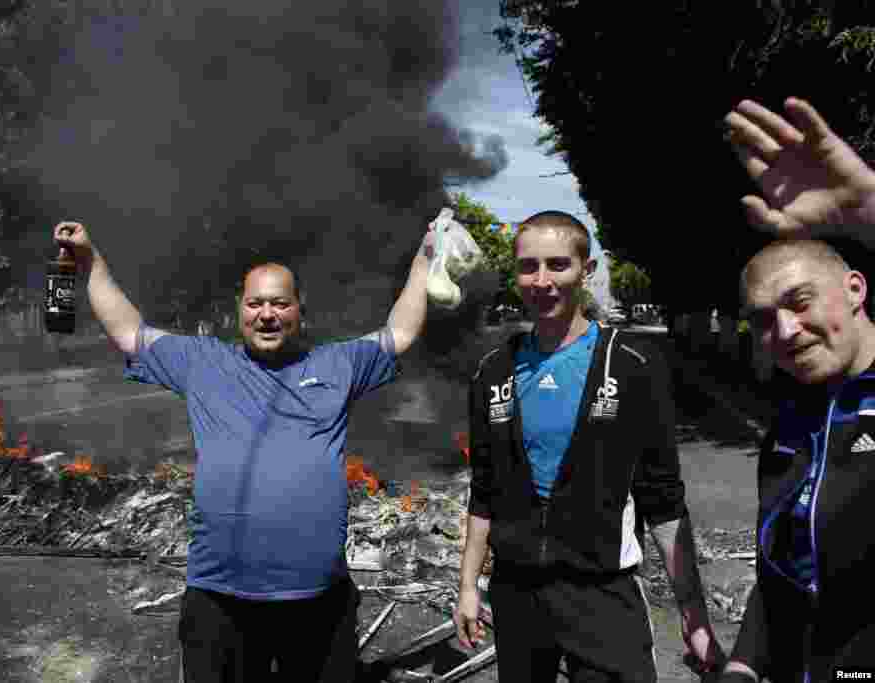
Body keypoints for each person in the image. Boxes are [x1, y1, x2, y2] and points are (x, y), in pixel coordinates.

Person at [52, 221, 434, 683]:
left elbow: (400, 331)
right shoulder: (203, 362)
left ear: (299, 311)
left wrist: (424, 260)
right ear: (240, 310)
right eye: (255, 303)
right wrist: (91, 260)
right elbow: (129, 331)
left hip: (318, 598)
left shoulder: (339, 363)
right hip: (220, 599)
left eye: (279, 302)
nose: (267, 314)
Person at [454, 210, 722, 682]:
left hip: (602, 592)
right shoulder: (492, 371)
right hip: (518, 594)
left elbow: (663, 500)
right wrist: (468, 587)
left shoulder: (634, 364)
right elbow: (484, 491)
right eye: (528, 266)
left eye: (558, 265)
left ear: (587, 270)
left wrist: (692, 615)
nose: (542, 281)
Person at [722, 97, 875, 683]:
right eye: (763, 319)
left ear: (856, 289)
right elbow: (785, 566)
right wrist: (743, 663)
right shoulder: (791, 417)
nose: (784, 331)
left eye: (800, 302)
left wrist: (866, 211)